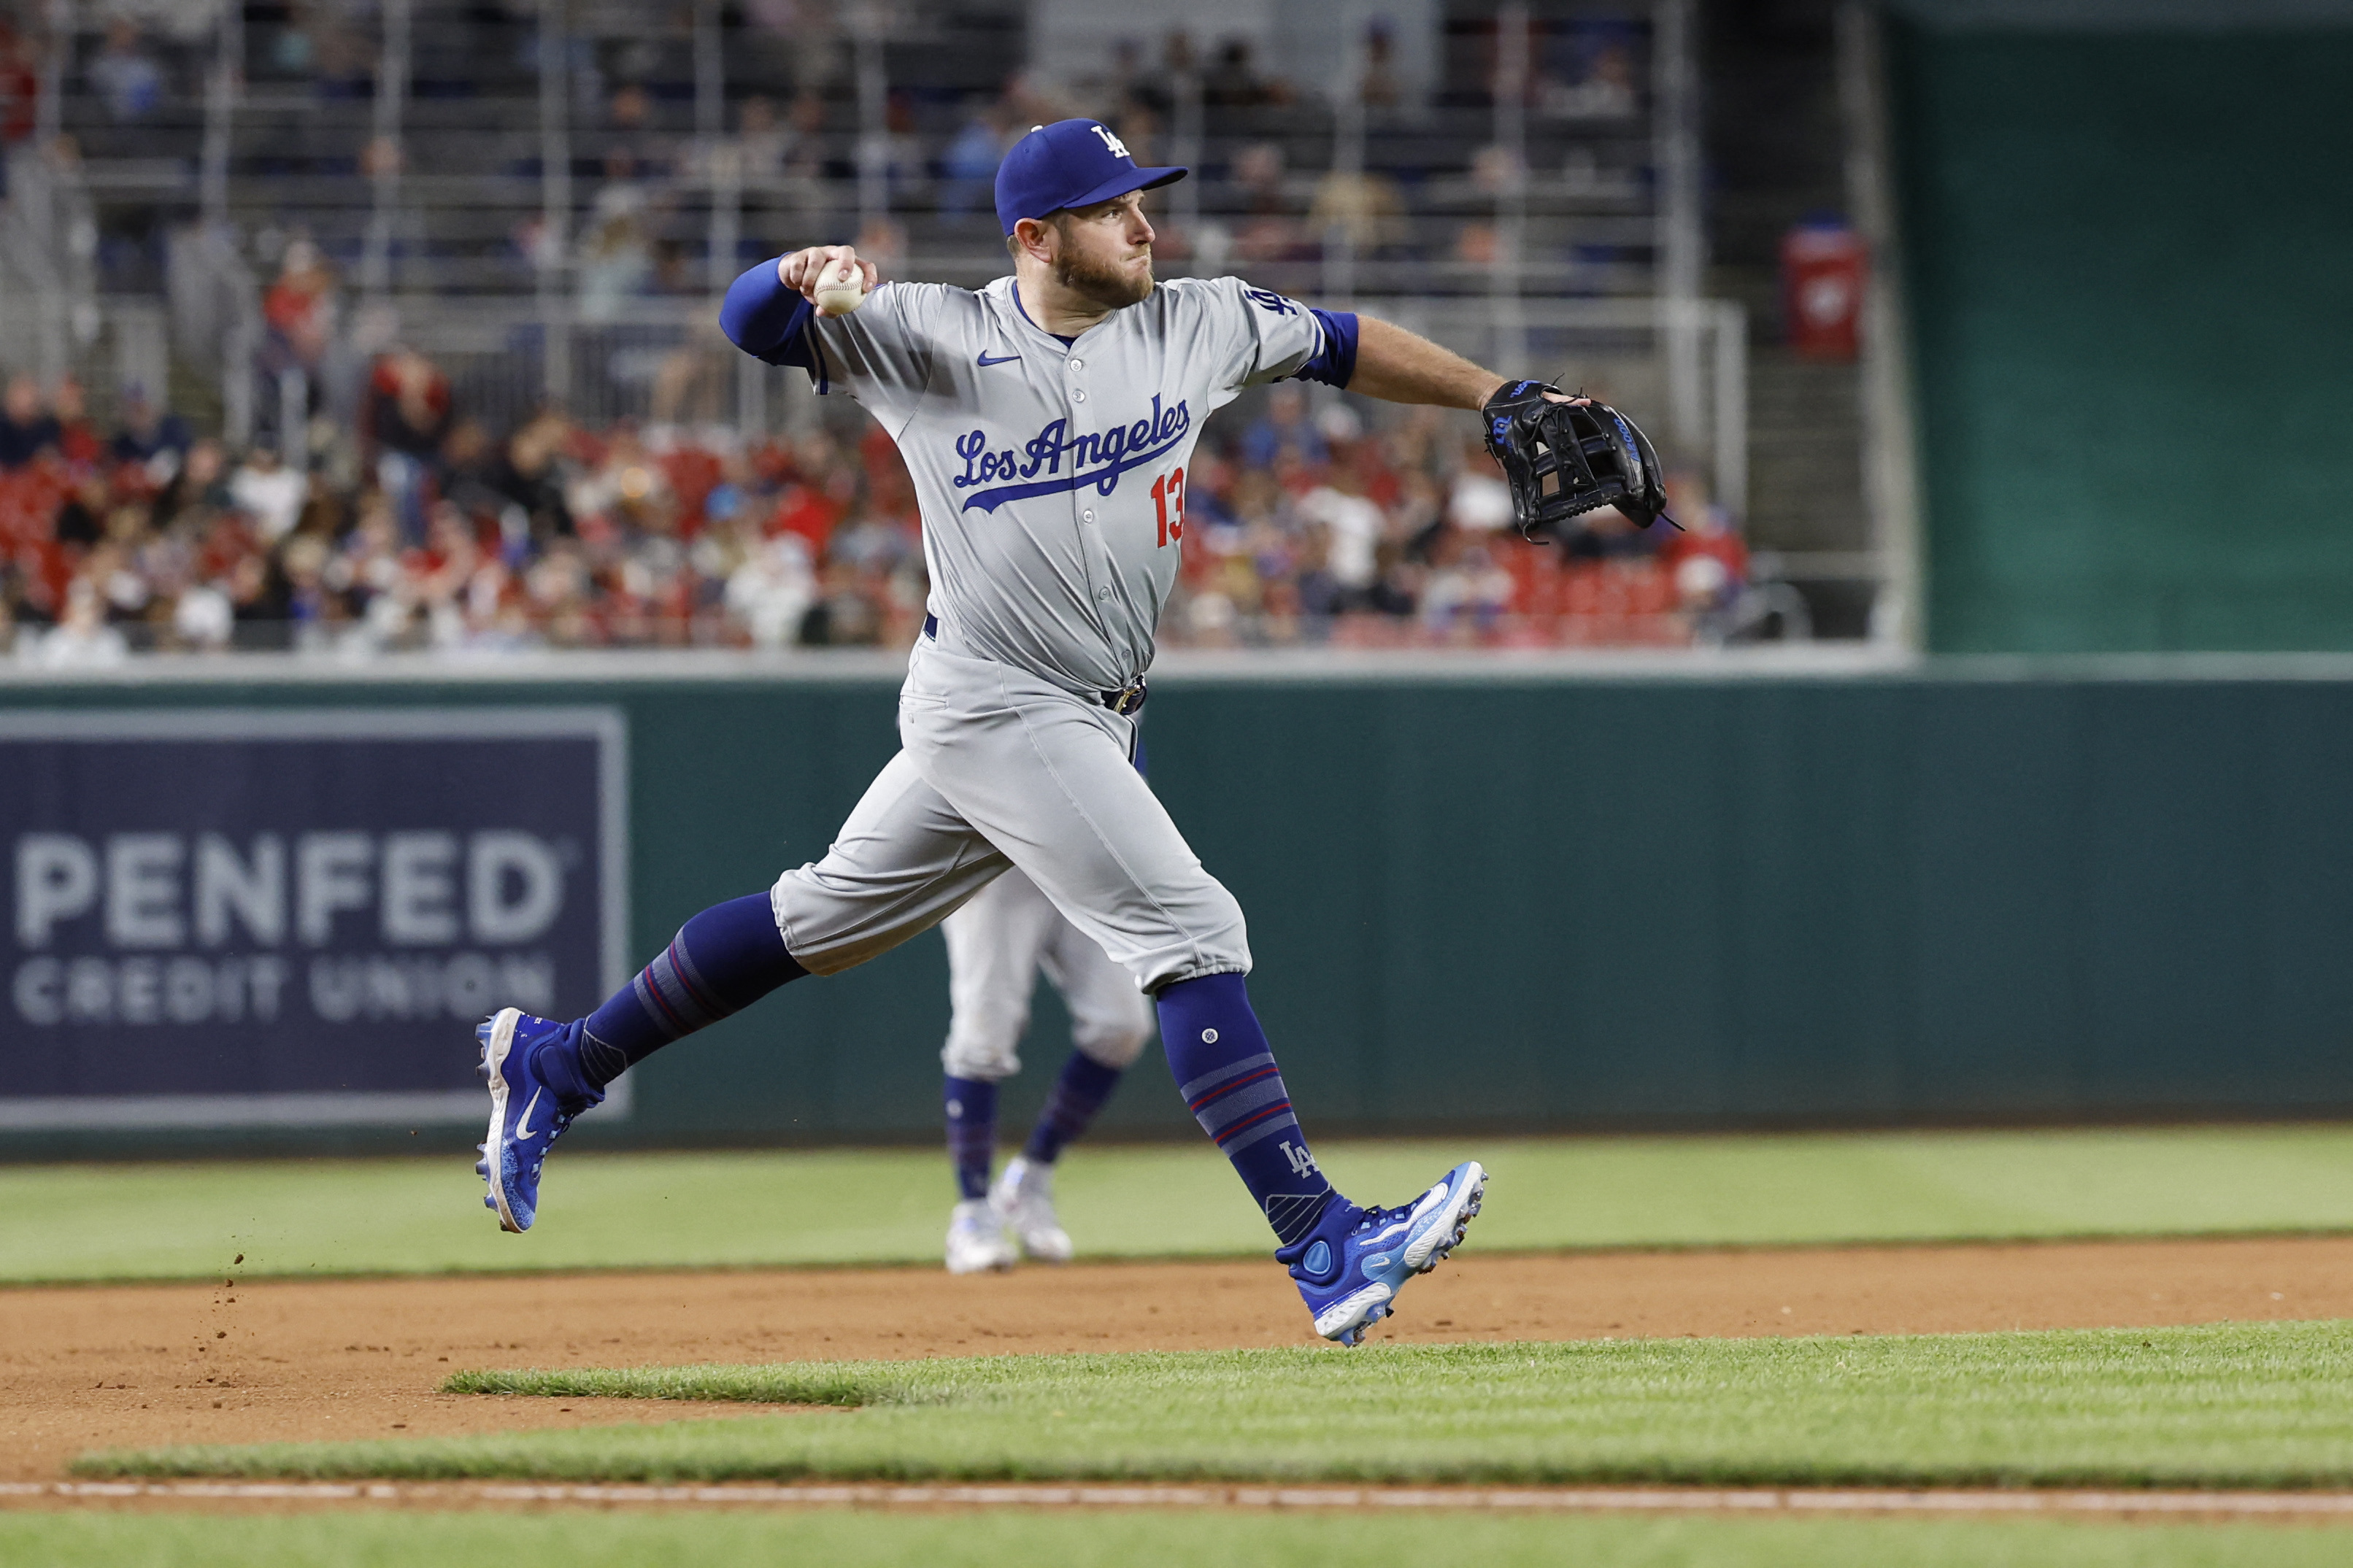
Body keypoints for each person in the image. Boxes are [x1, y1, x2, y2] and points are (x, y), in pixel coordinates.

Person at [473, 118, 1542, 1346]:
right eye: (1110, 208)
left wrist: (1494, 392)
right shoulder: (926, 331)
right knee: (1191, 928)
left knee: (817, 917)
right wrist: (794, 275)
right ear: (1035, 236)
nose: (1142, 224)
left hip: (1081, 707)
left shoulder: (1196, 320)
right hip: (997, 695)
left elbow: (1343, 344)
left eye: (1142, 200)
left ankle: (563, 1057)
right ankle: (1322, 1237)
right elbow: (744, 326)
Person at [938, 747, 1158, 1275]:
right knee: (984, 1036)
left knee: (1122, 1025)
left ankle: (1028, 1179)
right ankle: (972, 1214)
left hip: (1082, 859)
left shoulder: (1122, 661)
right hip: (993, 856)